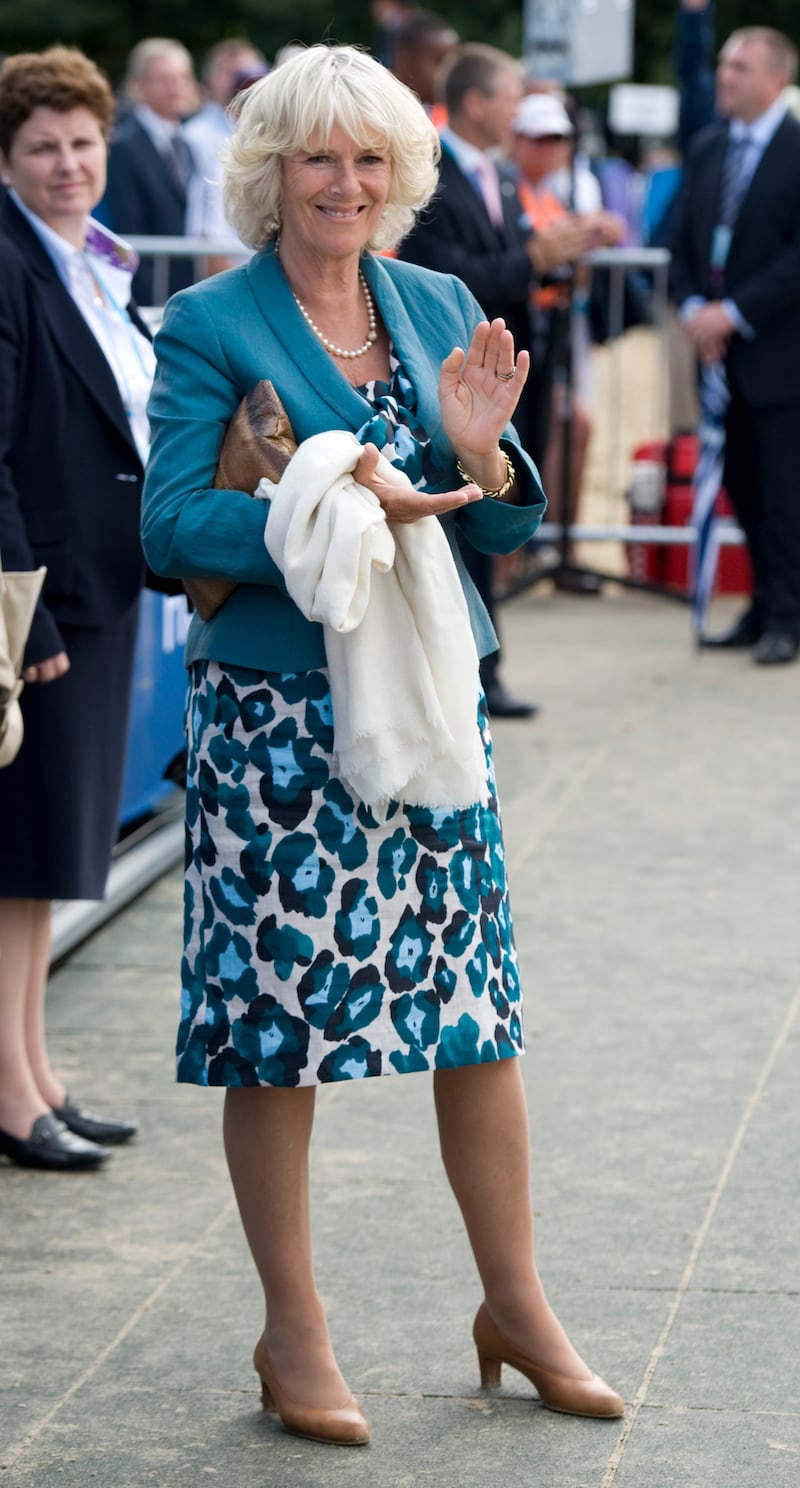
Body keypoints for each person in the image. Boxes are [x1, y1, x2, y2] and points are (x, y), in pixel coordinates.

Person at [142, 43, 624, 1447]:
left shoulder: (439, 298)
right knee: (277, 1035)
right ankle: (292, 1335)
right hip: (280, 724)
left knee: (477, 1013)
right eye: (315, 156)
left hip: (427, 703)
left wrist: (481, 463)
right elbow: (171, 526)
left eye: (367, 158)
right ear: (271, 172)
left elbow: (503, 523)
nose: (343, 182)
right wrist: (329, 495)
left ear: (399, 173)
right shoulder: (211, 322)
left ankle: (517, 1306)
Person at [0, 46, 151, 1169]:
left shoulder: (90, 257)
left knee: (53, 855)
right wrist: (24, 611)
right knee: (22, 856)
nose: (68, 164)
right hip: (42, 597)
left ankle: (34, 1070)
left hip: (97, 584)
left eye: (83, 143)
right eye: (44, 146)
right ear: (8, 160)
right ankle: (11, 1094)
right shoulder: (9, 263)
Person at [398, 45, 587, 717]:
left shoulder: (502, 178)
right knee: (464, 513)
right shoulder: (434, 174)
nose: (519, 111)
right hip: (450, 378)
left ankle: (485, 661)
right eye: (512, 99)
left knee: (493, 510)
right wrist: (533, 256)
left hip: (504, 375)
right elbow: (445, 275)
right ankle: (481, 667)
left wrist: (554, 261)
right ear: (478, 103)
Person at [671, 26, 800, 664]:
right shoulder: (708, 146)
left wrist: (735, 313)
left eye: (740, 67)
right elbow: (682, 237)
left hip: (778, 353)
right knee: (743, 486)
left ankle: (787, 614)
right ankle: (762, 607)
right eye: (723, 64)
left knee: (784, 492)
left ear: (776, 79)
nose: (725, 76)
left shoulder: (796, 147)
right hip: (718, 356)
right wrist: (696, 308)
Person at [512, 93, 623, 593]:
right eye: (541, 138)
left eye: (559, 139)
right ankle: (518, 554)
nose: (552, 148)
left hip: (548, 338)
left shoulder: (551, 193)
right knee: (525, 441)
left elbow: (563, 261)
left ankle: (550, 545)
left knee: (566, 429)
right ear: (517, 140)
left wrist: (592, 235)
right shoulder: (513, 188)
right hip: (513, 339)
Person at [98, 38, 198, 305]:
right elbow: (126, 225)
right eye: (164, 79)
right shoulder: (122, 146)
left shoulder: (189, 142)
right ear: (139, 85)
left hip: (187, 288)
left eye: (182, 78)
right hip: (148, 293)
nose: (175, 87)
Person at [184, 37, 268, 274]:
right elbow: (210, 233)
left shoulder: (275, 139)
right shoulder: (194, 136)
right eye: (230, 74)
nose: (244, 87)